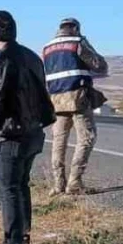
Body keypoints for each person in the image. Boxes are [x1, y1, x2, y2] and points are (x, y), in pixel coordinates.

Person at [0, 11, 55, 244]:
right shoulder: (32, 57)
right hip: (33, 132)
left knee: (8, 190)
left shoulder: (0, 61)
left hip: (11, 135)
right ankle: (24, 239)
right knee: (21, 185)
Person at [42, 18, 109, 196]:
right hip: (77, 97)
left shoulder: (47, 47)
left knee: (58, 141)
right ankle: (75, 182)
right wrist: (87, 44)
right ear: (75, 28)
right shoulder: (77, 43)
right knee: (87, 137)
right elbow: (99, 66)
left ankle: (58, 184)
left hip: (56, 99)